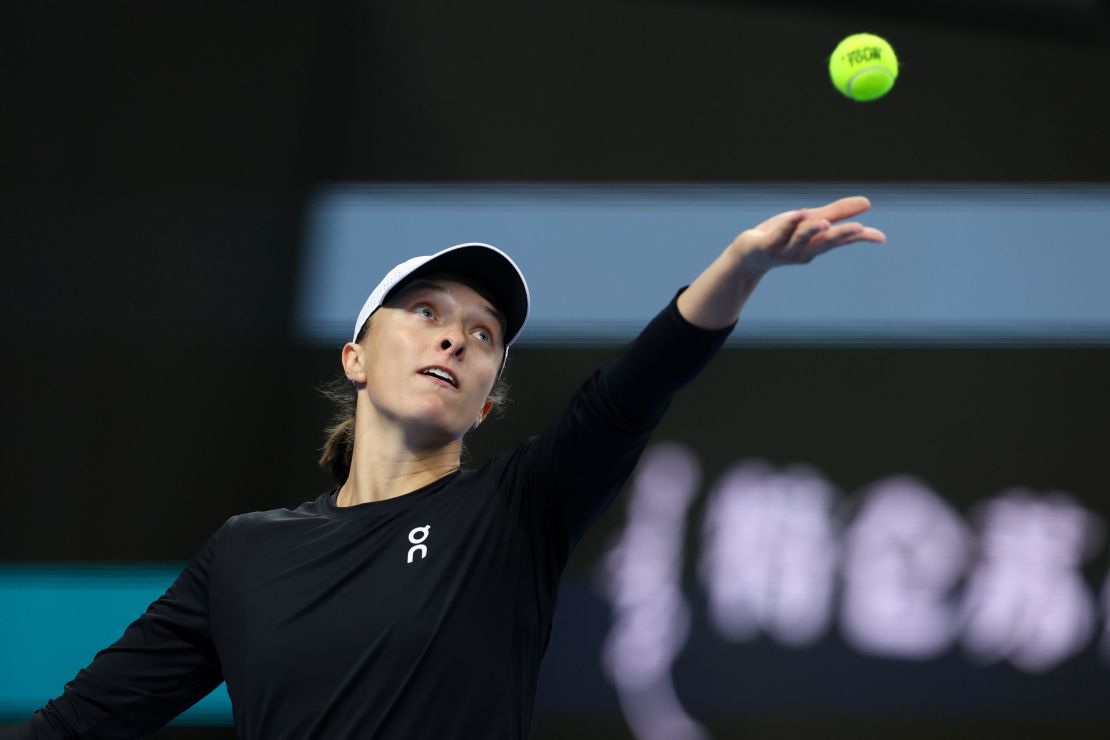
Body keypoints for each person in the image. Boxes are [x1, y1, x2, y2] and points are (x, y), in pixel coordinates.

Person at [4, 197, 886, 739]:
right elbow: (82, 724)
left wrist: (738, 270)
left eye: (484, 334)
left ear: (485, 400)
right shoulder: (243, 556)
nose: (456, 335)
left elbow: (627, 397)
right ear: (355, 357)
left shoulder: (513, 513)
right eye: (425, 311)